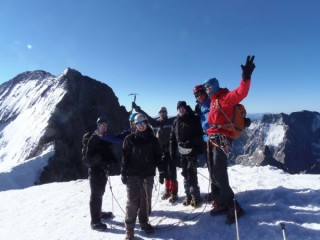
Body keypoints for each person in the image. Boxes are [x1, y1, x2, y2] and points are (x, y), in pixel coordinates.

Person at [204, 55, 255, 224]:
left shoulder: (224, 98)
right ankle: (220, 202)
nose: (207, 90)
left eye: (208, 87)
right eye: (206, 87)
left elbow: (240, 93)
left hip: (221, 139)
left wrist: (245, 78)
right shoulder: (212, 101)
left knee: (219, 173)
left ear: (214, 86)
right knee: (213, 172)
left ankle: (234, 207)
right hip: (212, 139)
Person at [121, 113, 165, 240]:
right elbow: (125, 158)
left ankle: (144, 222)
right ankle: (129, 229)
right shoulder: (129, 139)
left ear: (146, 123)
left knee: (145, 200)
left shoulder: (153, 140)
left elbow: (158, 157)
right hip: (133, 174)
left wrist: (161, 171)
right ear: (135, 125)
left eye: (143, 123)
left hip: (148, 175)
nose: (141, 125)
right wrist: (123, 172)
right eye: (138, 123)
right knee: (132, 202)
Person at [132, 103, 178, 203]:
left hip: (171, 150)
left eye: (164, 112)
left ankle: (174, 193)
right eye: (161, 112)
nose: (162, 114)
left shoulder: (171, 121)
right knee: (165, 171)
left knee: (172, 172)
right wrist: (138, 109)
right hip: (161, 151)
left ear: (166, 113)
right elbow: (147, 117)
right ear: (159, 114)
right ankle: (168, 190)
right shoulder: (155, 123)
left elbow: (180, 115)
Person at [86, 116, 118, 231]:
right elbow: (88, 158)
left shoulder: (105, 138)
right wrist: (102, 163)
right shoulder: (93, 139)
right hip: (95, 172)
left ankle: (99, 213)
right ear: (97, 125)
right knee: (95, 195)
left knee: (100, 192)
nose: (104, 127)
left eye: (105, 125)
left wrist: (114, 161)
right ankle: (94, 222)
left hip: (103, 171)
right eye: (101, 125)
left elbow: (108, 152)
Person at [170, 101, 203, 208]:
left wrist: (191, 142)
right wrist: (172, 151)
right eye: (179, 108)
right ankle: (188, 195)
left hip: (192, 151)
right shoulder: (176, 122)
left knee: (191, 173)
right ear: (177, 109)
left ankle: (195, 197)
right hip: (181, 152)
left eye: (183, 108)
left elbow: (200, 135)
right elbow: (172, 138)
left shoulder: (193, 119)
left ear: (186, 108)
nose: (181, 109)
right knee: (185, 173)